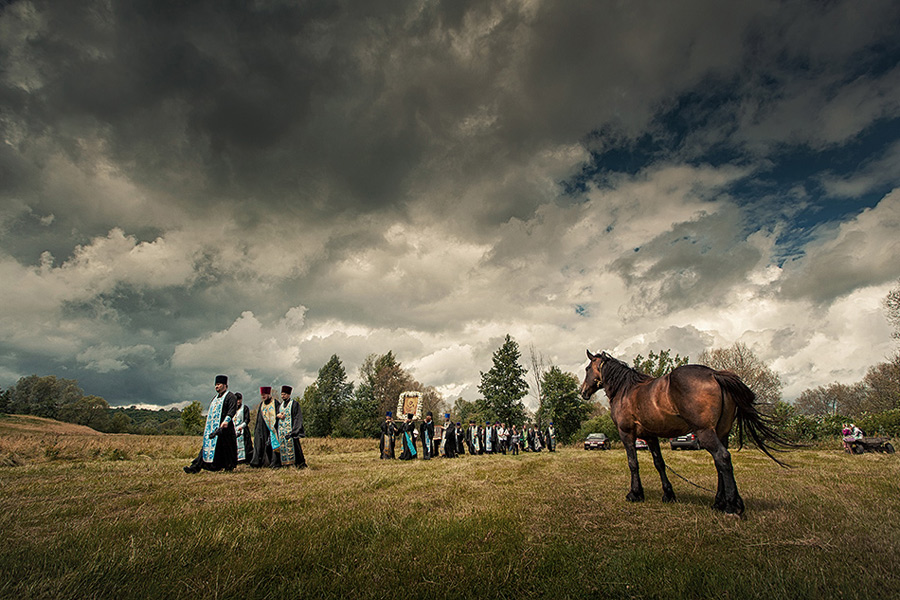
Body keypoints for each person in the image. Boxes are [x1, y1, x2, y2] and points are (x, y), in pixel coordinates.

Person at [184, 375, 238, 473]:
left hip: (225, 428)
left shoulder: (231, 397)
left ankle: (228, 466)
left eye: (218, 384)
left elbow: (232, 410)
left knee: (227, 449)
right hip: (214, 429)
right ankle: (195, 467)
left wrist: (226, 421)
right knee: (206, 447)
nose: (216, 387)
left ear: (225, 385)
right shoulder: (215, 398)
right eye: (215, 385)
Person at [276, 385, 307, 469]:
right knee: (283, 447)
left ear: (289, 395)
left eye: (285, 394)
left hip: (291, 431)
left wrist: (294, 431)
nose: (283, 396)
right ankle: (285, 464)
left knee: (295, 448)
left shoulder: (294, 404)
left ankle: (298, 465)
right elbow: (276, 417)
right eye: (282, 394)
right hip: (282, 431)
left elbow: (298, 417)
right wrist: (277, 416)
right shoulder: (280, 405)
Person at [250, 386, 281, 468]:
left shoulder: (275, 403)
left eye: (265, 395)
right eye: (262, 395)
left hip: (274, 428)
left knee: (274, 444)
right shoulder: (262, 405)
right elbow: (259, 419)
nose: (263, 396)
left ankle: (275, 463)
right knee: (261, 443)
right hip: (263, 428)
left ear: (269, 394)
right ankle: (259, 462)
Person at [233, 392, 254, 465]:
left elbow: (247, 419)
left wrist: (242, 426)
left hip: (243, 430)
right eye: (237, 400)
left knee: (246, 446)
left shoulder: (244, 408)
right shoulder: (232, 408)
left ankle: (246, 460)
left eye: (240, 400)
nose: (238, 401)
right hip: (234, 430)